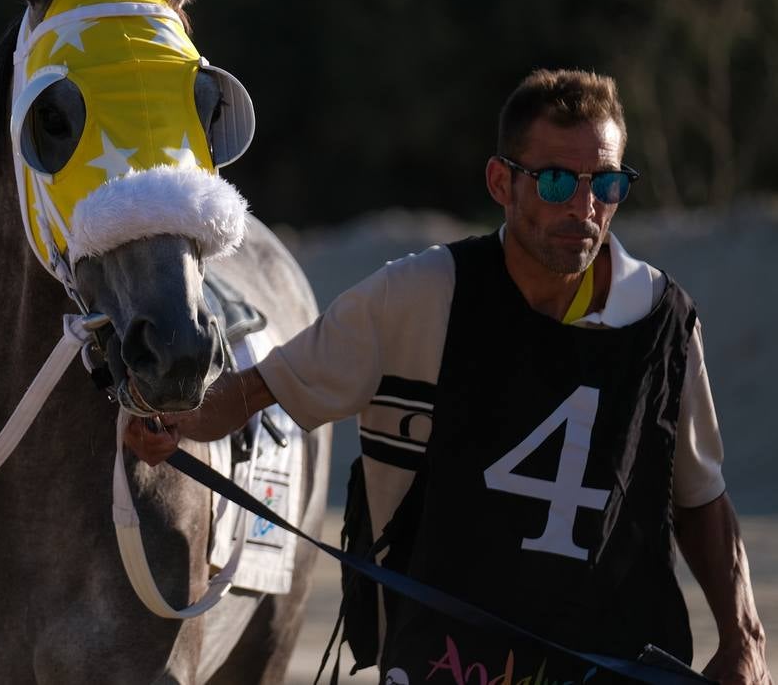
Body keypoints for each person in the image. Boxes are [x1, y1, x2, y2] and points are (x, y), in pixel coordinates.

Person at [126, 70, 771, 684]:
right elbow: (264, 388)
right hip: (450, 659)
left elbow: (700, 497)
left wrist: (743, 636)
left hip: (617, 657)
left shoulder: (663, 323)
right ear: (501, 181)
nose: (584, 207)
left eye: (606, 184)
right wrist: (173, 421)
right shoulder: (420, 294)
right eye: (554, 182)